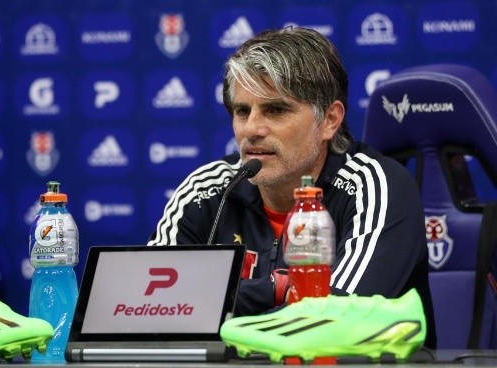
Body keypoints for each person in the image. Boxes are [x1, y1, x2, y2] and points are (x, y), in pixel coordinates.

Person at [148, 27, 436, 348]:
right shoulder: (207, 191)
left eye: (275, 110)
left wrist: (216, 305)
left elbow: (329, 323)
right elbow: (147, 313)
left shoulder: (375, 187)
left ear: (329, 120)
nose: (252, 129)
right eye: (242, 111)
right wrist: (277, 289)